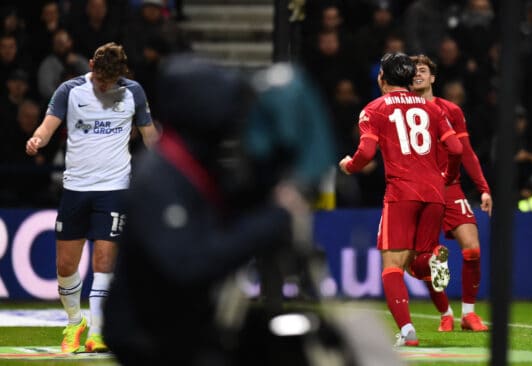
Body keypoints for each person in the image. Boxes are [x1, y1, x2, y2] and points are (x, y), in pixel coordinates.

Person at [102, 55, 351, 366]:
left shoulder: (189, 164)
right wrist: (278, 214)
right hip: (149, 340)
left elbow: (228, 206)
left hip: (182, 328)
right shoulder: (158, 176)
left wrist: (269, 188)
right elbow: (189, 264)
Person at [25, 42, 160, 353]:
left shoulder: (133, 93)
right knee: (65, 264)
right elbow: (47, 127)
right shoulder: (69, 91)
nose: (103, 86)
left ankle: (97, 332)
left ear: (120, 75)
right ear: (90, 66)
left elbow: (151, 136)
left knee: (103, 261)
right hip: (75, 188)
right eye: (99, 79)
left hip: (114, 187)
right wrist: (37, 140)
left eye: (109, 82)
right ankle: (75, 322)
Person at [339, 52, 463, 347]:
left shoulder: (374, 109)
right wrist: (447, 177)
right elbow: (456, 148)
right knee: (417, 264)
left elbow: (367, 153)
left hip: (402, 192)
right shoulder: (433, 109)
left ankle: (408, 332)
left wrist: (349, 166)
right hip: (435, 192)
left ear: (382, 78)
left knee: (392, 264)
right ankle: (434, 258)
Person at [410, 54, 492, 332]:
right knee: (424, 261)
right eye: (412, 71)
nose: (417, 74)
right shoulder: (402, 112)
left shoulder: (451, 111)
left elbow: (465, 151)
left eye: (422, 70)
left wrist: (483, 188)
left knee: (472, 248)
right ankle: (445, 313)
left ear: (433, 77)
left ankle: (469, 314)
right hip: (419, 191)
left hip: (450, 188)